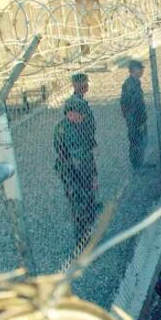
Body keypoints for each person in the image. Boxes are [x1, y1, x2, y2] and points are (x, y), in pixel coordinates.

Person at [54, 73, 99, 244]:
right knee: (79, 203)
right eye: (78, 114)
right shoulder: (64, 130)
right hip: (73, 171)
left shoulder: (77, 125)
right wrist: (89, 177)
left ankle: (88, 226)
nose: (82, 117)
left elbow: (87, 147)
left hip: (83, 167)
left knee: (86, 199)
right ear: (69, 113)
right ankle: (82, 237)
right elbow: (67, 155)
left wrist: (92, 175)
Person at [119, 60, 148, 170]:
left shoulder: (136, 82)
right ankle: (136, 165)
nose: (142, 71)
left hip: (138, 118)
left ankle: (140, 163)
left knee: (142, 141)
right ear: (134, 70)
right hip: (134, 119)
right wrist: (137, 121)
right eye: (140, 69)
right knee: (136, 142)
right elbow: (129, 105)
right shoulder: (129, 85)